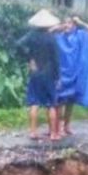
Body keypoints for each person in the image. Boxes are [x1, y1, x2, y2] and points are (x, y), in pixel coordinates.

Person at [17, 9, 62, 141]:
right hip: (48, 73)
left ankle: (33, 132)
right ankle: (53, 134)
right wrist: (58, 76)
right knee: (51, 104)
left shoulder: (31, 35)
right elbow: (56, 59)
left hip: (35, 72)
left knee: (34, 102)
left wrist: (28, 58)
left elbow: (18, 45)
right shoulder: (51, 38)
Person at [51, 16, 88, 135]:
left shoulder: (80, 35)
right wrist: (60, 27)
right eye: (65, 23)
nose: (67, 25)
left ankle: (66, 126)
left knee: (70, 102)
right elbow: (48, 32)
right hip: (61, 74)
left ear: (75, 25)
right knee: (59, 102)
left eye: (70, 23)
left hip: (74, 74)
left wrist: (81, 22)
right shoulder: (59, 37)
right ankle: (57, 128)